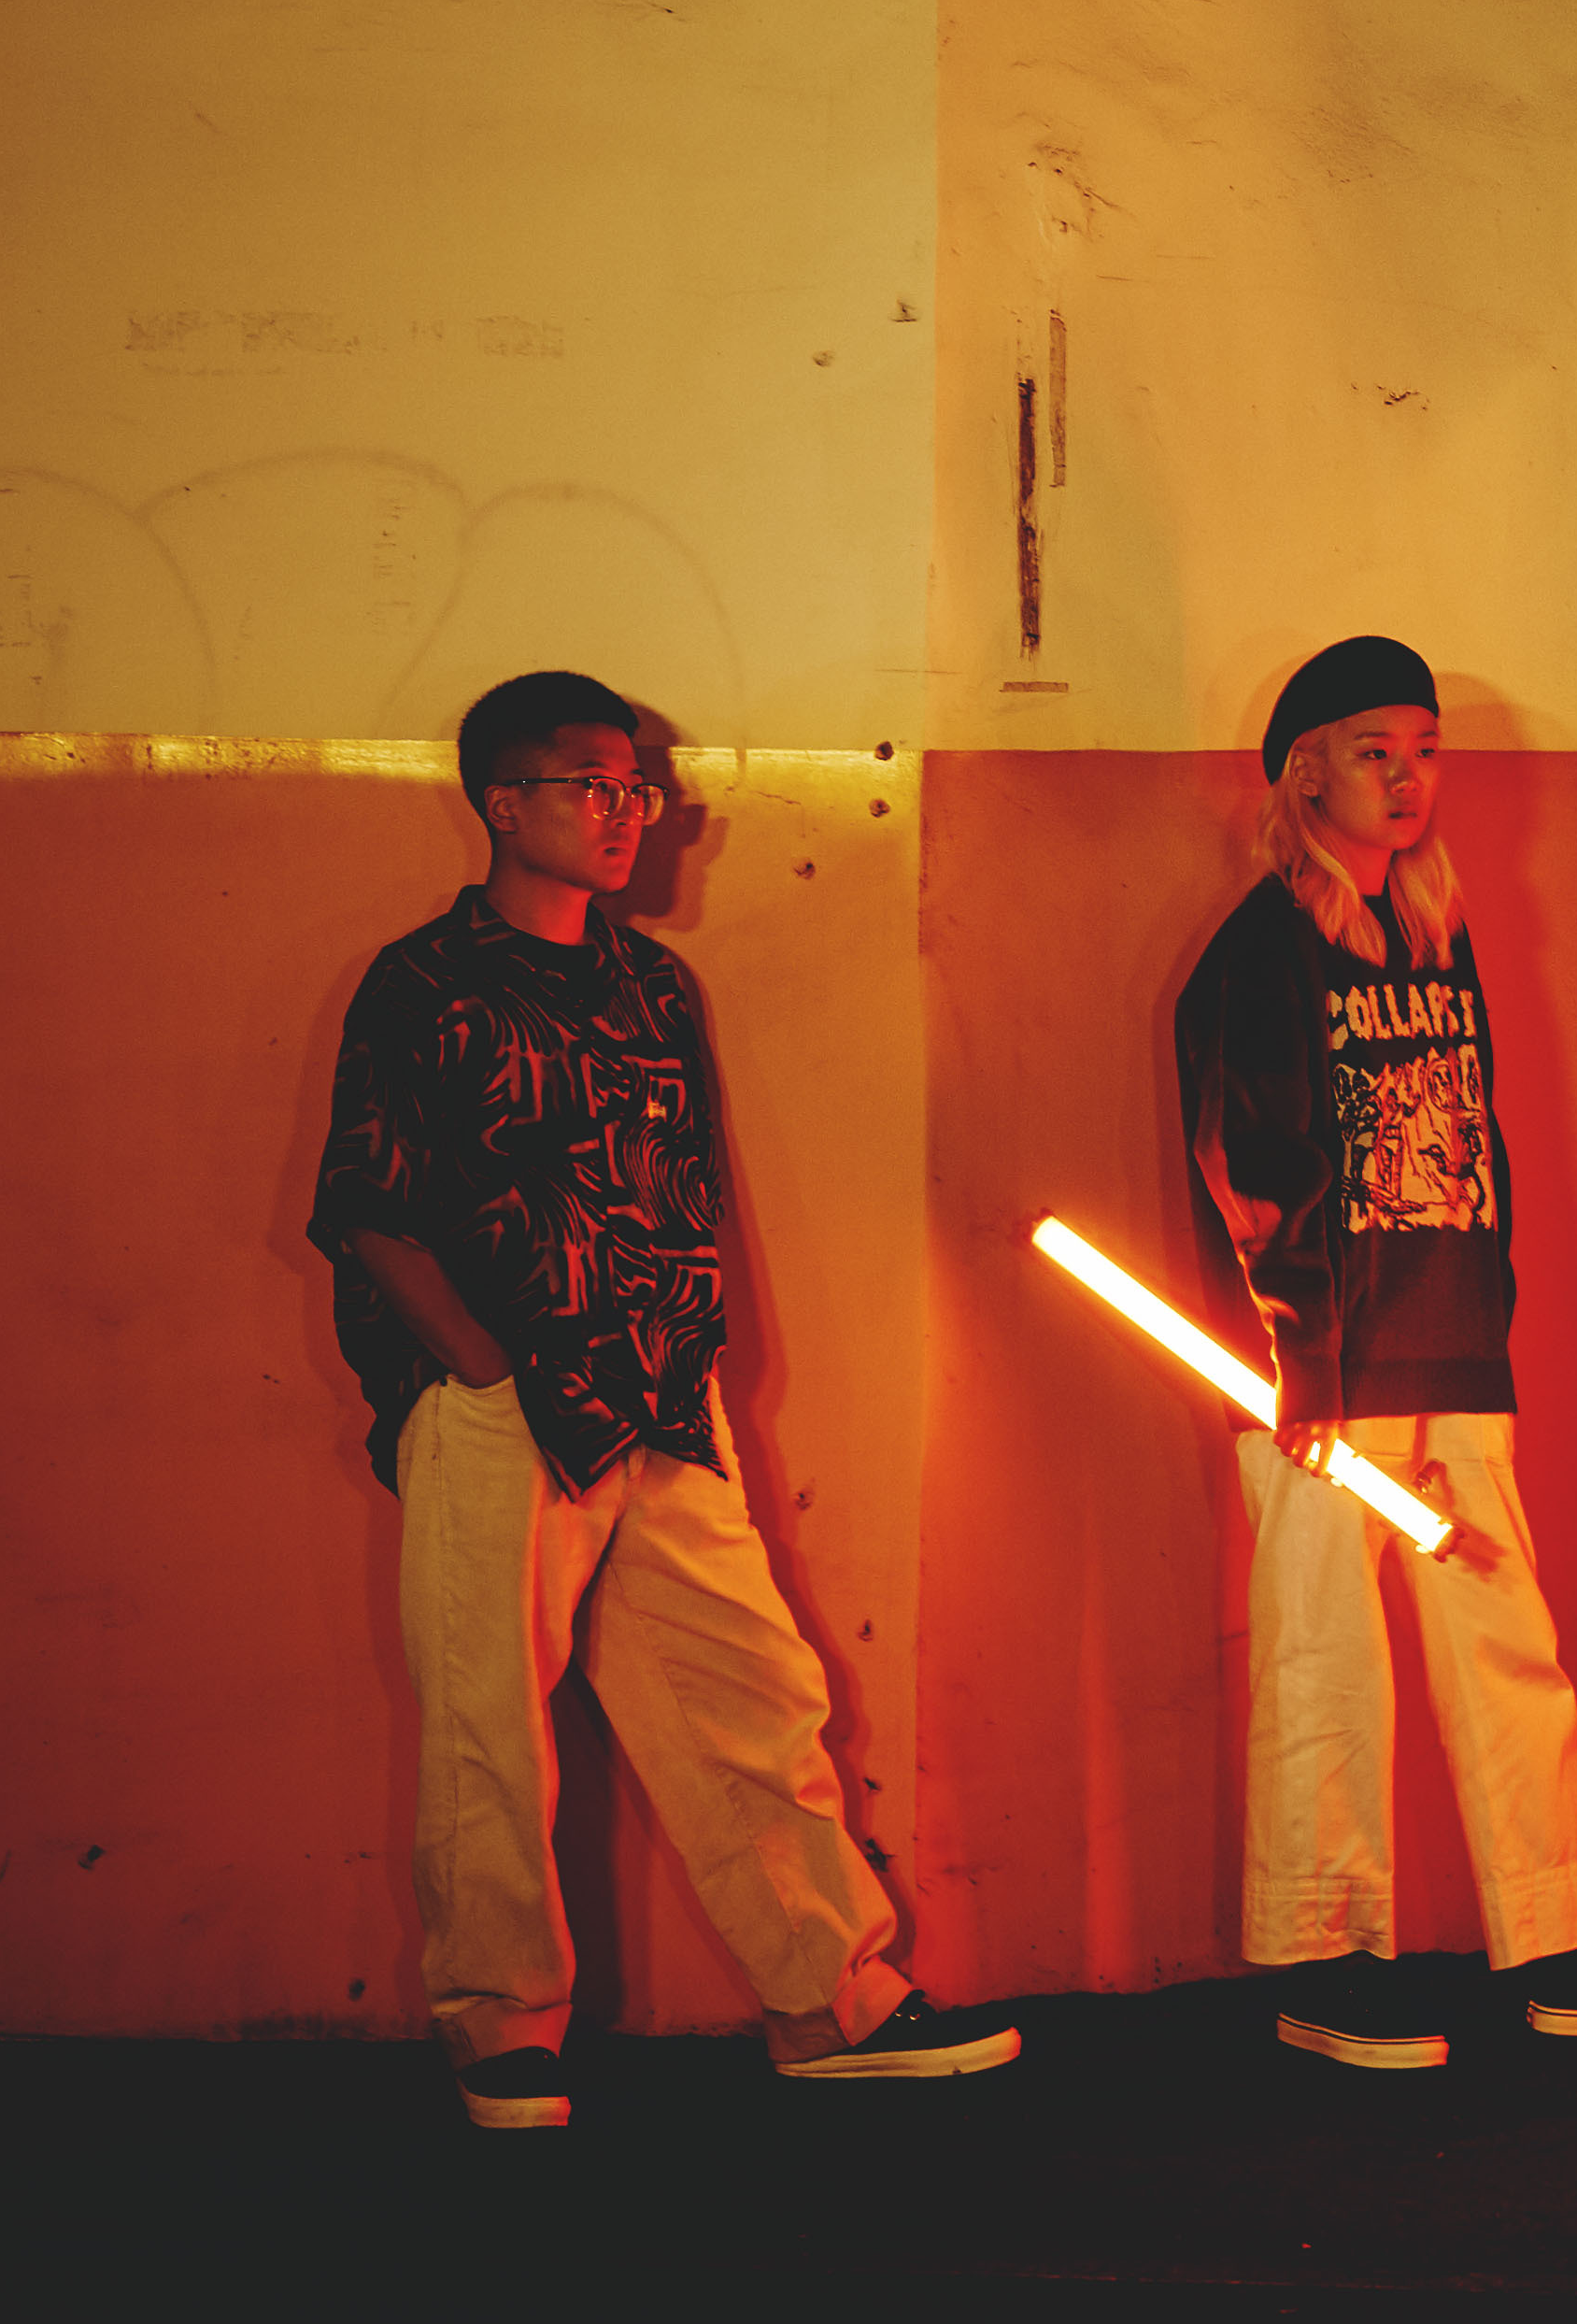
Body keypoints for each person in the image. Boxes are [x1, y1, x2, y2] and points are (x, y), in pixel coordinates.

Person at [309, 670, 1022, 2127]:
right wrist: (481, 1364)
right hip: (503, 1401)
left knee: (752, 1697)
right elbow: (369, 1204)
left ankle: (833, 1998)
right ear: (503, 801)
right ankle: (502, 2023)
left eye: (640, 787)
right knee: (488, 1725)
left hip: (661, 1399)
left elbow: (681, 1186)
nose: (629, 811)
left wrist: (691, 1356)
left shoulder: (650, 985)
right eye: (593, 783)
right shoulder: (424, 982)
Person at [1178, 634, 1577, 2067]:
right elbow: (1252, 1163)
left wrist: (1481, 1318)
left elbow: (1474, 1135)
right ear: (1302, 772)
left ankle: (1562, 1942)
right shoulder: (1259, 950)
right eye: (1373, 750)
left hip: (1446, 1348)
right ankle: (1324, 1960)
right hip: (1317, 1376)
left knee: (1509, 1644)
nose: (1406, 777)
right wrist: (1304, 1358)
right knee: (1324, 1656)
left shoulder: (1438, 936)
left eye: (1425, 750)